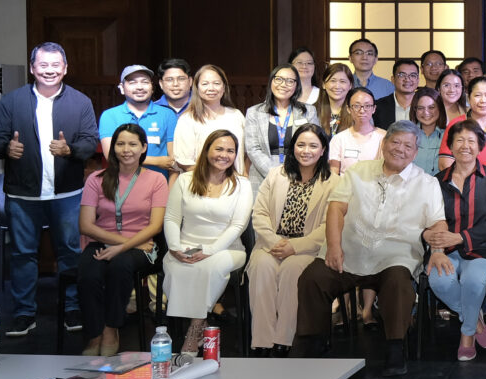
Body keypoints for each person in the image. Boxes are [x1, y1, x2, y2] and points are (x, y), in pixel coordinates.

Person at [294, 121, 446, 376]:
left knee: (399, 282)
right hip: (349, 252)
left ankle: (396, 348)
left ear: (415, 152)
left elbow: (438, 222)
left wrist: (439, 251)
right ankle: (312, 341)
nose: (400, 149)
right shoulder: (357, 172)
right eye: (395, 142)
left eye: (408, 146)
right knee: (313, 278)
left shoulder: (427, 183)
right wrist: (333, 247)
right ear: (384, 144)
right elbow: (336, 208)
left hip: (395, 255)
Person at [0, 41, 98, 337]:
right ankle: (24, 313)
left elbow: (90, 141)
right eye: (43, 65)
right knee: (22, 254)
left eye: (55, 65)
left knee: (70, 252)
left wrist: (70, 150)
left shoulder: (81, 102)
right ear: (33, 68)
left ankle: (72, 308)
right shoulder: (12, 101)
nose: (49, 70)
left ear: (65, 68)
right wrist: (5, 148)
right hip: (23, 194)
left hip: (67, 194)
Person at [77, 122, 166, 356]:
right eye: (120, 144)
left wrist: (124, 247)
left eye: (133, 144)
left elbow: (155, 226)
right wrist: (122, 243)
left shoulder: (157, 180)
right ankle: (94, 334)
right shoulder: (96, 178)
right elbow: (85, 225)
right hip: (105, 240)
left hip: (141, 246)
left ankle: (111, 328)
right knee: (89, 272)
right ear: (113, 148)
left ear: (143, 147)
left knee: (120, 266)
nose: (126, 150)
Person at [247, 123, 335, 355]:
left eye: (313, 146)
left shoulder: (333, 181)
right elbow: (259, 213)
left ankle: (284, 339)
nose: (306, 151)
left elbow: (329, 225)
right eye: (300, 144)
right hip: (271, 244)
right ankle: (262, 340)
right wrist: (274, 242)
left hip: (307, 249)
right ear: (292, 147)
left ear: (323, 150)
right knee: (262, 267)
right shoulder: (276, 174)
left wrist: (294, 246)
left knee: (292, 270)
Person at [163, 130, 253, 356]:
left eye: (230, 151)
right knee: (176, 267)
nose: (224, 155)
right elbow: (172, 218)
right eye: (219, 149)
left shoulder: (242, 185)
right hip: (187, 245)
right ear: (206, 151)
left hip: (227, 249)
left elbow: (238, 225)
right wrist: (174, 248)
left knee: (209, 268)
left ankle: (195, 329)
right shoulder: (185, 179)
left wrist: (210, 250)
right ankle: (200, 321)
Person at [426, 120, 486, 362]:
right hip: (446, 251)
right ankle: (476, 322)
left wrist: (461, 237)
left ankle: (467, 335)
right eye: (459, 140)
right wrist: (437, 248)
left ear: (480, 146)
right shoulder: (437, 181)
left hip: (482, 249)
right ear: (450, 146)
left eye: (471, 141)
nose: (465, 146)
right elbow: (429, 220)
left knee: (472, 281)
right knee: (439, 281)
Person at [244, 63, 318, 192]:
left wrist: (294, 174)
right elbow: (253, 149)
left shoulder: (308, 111)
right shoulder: (254, 112)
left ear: (296, 85)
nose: (283, 84)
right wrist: (276, 175)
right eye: (279, 79)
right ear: (271, 82)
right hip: (263, 177)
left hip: (300, 176)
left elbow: (314, 144)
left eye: (290, 81)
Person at [98, 64, 178, 175]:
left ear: (152, 87)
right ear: (122, 88)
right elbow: (111, 156)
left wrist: (171, 186)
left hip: (160, 183)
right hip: (121, 182)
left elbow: (173, 161)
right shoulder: (109, 116)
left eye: (145, 82)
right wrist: (157, 161)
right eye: (132, 82)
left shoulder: (167, 114)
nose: (139, 87)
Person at [171, 64, 246, 176]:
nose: (211, 88)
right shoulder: (187, 119)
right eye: (205, 84)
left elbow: (245, 154)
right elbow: (184, 163)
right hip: (201, 182)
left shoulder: (236, 115)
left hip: (235, 181)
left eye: (216, 83)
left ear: (224, 87)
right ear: (197, 88)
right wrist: (217, 179)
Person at [328, 87, 386, 174]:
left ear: (374, 109)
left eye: (367, 106)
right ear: (348, 109)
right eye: (356, 106)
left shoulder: (384, 137)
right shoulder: (339, 139)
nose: (362, 110)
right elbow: (334, 173)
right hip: (345, 182)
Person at [373, 58, 421, 127]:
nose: (407, 79)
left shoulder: (426, 106)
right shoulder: (378, 107)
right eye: (402, 75)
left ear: (418, 80)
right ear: (393, 79)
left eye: (413, 75)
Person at [409, 87, 446, 174]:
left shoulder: (449, 136)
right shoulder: (407, 134)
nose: (426, 112)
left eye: (431, 107)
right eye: (420, 108)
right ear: (415, 110)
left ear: (440, 108)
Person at [314, 62, 354, 136]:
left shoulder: (357, 112)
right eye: (333, 81)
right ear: (323, 84)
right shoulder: (312, 111)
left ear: (350, 86)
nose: (337, 86)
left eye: (342, 81)